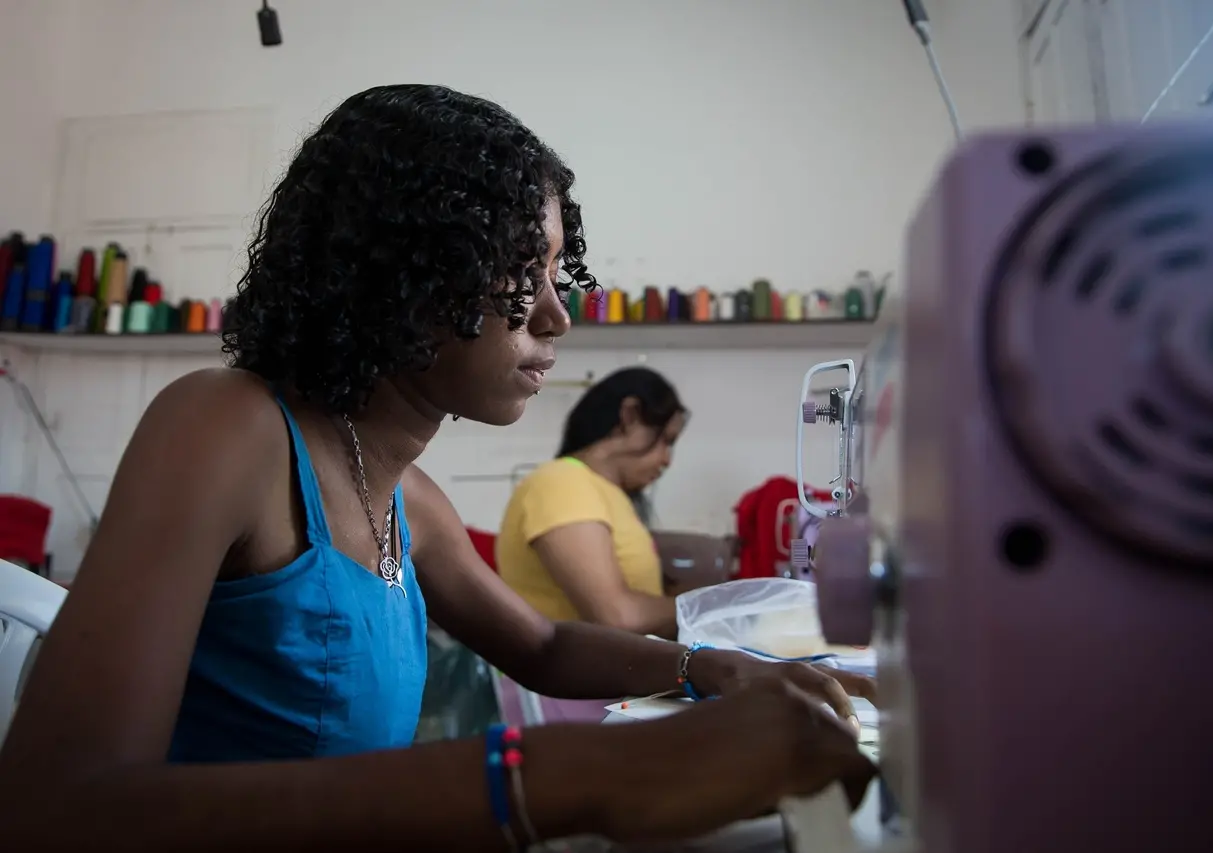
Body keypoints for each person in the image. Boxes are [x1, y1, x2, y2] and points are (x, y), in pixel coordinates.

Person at [0, 85, 875, 851]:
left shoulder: (410, 502)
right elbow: (55, 810)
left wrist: (706, 667)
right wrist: (568, 774)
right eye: (517, 272)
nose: (554, 315)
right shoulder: (226, 428)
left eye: (553, 273)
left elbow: (541, 643)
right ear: (403, 272)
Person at [497, 367, 687, 640]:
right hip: (566, 680)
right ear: (629, 416)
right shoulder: (561, 482)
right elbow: (616, 616)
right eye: (665, 440)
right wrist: (705, 607)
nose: (667, 459)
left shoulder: (606, 493)